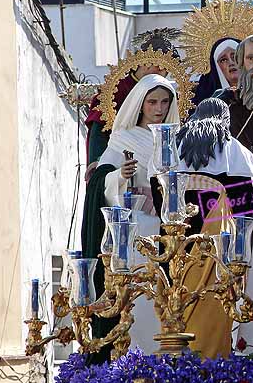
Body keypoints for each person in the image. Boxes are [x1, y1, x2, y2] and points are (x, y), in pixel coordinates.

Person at [81, 74, 180, 363]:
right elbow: (101, 180)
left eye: (164, 101)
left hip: (165, 232)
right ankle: (129, 359)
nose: (159, 108)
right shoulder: (123, 137)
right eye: (152, 102)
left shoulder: (176, 139)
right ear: (140, 104)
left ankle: (160, 362)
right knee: (134, 299)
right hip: (135, 231)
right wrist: (118, 176)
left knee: (162, 300)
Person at [158, 97, 253, 358]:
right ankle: (210, 370)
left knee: (175, 305)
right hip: (218, 245)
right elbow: (245, 209)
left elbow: (160, 197)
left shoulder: (171, 147)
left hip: (174, 244)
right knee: (215, 303)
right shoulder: (235, 151)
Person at [85, 29, 180, 181]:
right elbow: (98, 132)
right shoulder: (117, 91)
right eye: (161, 66)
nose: (164, 73)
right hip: (121, 160)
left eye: (167, 69)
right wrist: (99, 161)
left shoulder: (165, 92)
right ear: (146, 62)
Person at [192, 38, 240, 105]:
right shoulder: (208, 104)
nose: (231, 63)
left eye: (235, 57)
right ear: (217, 67)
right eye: (223, 60)